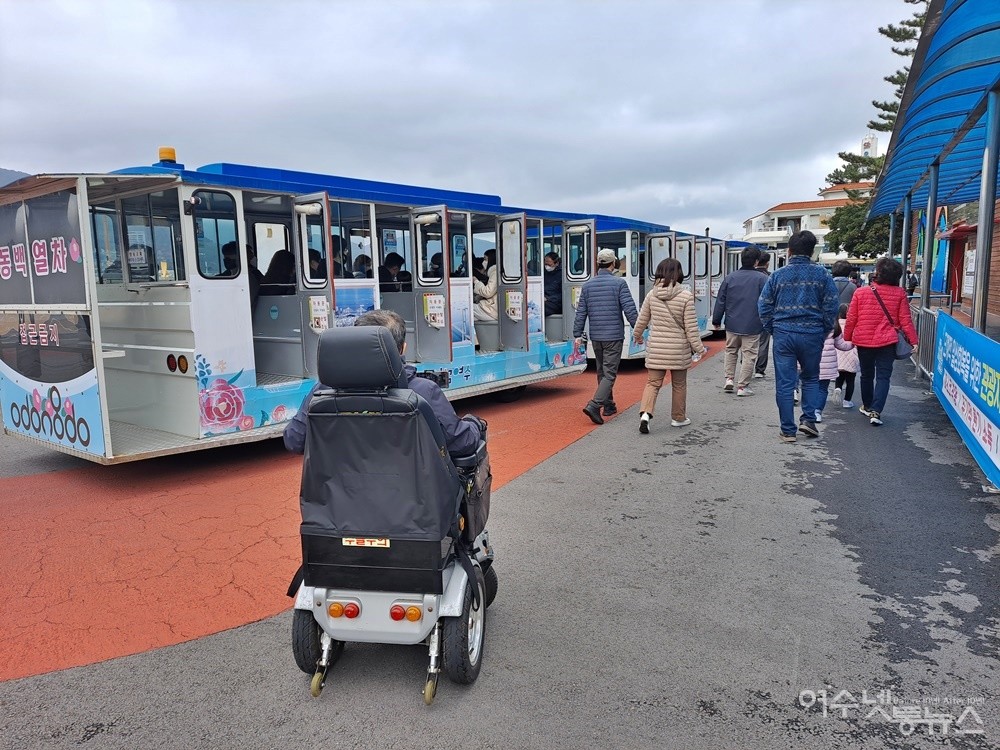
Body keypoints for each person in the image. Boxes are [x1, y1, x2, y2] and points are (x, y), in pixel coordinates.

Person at [283, 309, 483, 457]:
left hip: (335, 510)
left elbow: (294, 440)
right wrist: (474, 424)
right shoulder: (423, 391)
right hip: (412, 508)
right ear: (402, 348)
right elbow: (461, 443)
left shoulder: (323, 390)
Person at [757, 230, 840, 443]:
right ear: (813, 251)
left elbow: (764, 305)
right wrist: (823, 330)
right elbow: (831, 307)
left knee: (785, 383)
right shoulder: (823, 275)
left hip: (784, 333)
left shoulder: (777, 275)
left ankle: (787, 430)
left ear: (789, 250)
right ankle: (808, 420)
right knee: (811, 378)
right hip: (812, 333)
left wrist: (773, 328)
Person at [632, 258, 706, 432]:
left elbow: (642, 319)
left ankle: (645, 414)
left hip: (657, 348)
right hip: (678, 350)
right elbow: (691, 328)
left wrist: (637, 335)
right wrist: (699, 348)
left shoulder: (651, 294)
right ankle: (678, 418)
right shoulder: (686, 296)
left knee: (652, 383)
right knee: (679, 384)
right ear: (679, 273)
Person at [843, 257, 918, 426]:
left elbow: (852, 317)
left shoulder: (861, 292)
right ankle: (876, 412)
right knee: (884, 376)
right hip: (888, 342)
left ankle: (867, 406)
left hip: (864, 340)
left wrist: (847, 337)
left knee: (867, 375)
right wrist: (914, 341)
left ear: (878, 273)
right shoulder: (900, 294)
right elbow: (906, 320)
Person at [573, 248, 639, 424]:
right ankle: (594, 405)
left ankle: (609, 405)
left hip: (596, 336)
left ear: (598, 263)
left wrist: (577, 334)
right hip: (614, 335)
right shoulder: (619, 283)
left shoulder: (587, 286)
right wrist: (638, 329)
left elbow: (581, 313)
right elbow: (629, 309)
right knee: (610, 374)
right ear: (613, 263)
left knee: (602, 371)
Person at [712, 246, 766, 397]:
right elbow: (767, 302)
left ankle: (729, 379)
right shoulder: (762, 279)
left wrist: (717, 319)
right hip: (753, 325)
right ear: (756, 262)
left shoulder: (730, 278)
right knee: (749, 355)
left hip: (732, 323)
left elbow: (720, 301)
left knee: (731, 351)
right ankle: (743, 386)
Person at [814, 317, 854, 423]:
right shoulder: (833, 325)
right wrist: (854, 342)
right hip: (827, 366)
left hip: (811, 362)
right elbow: (842, 345)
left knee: (810, 387)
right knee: (822, 389)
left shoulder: (809, 322)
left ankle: (809, 410)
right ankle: (817, 412)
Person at [834, 303, 860, 409]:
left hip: (838, 355)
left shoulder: (836, 324)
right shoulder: (854, 325)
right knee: (850, 380)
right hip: (852, 355)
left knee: (839, 377)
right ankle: (847, 401)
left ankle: (838, 388)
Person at [753, 251, 771, 379]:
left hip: (748, 314)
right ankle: (759, 369)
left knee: (748, 341)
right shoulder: (770, 278)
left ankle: (747, 364)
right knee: (763, 342)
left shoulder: (748, 276)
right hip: (765, 314)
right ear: (767, 264)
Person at [543, 251, 562, 316]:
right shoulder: (543, 273)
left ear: (556, 263)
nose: (547, 266)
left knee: (541, 309)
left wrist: (548, 298)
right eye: (545, 264)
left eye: (549, 265)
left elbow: (562, 294)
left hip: (556, 303)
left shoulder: (561, 275)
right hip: (543, 299)